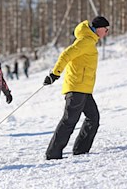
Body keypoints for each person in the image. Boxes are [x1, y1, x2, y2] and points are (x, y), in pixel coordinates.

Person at [43, 16, 110, 160]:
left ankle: (80, 150)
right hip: (76, 88)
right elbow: (66, 54)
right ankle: (53, 153)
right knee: (69, 121)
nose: (107, 32)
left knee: (93, 118)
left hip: (84, 89)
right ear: (99, 28)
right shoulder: (85, 41)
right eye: (106, 29)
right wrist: (55, 73)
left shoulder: (90, 41)